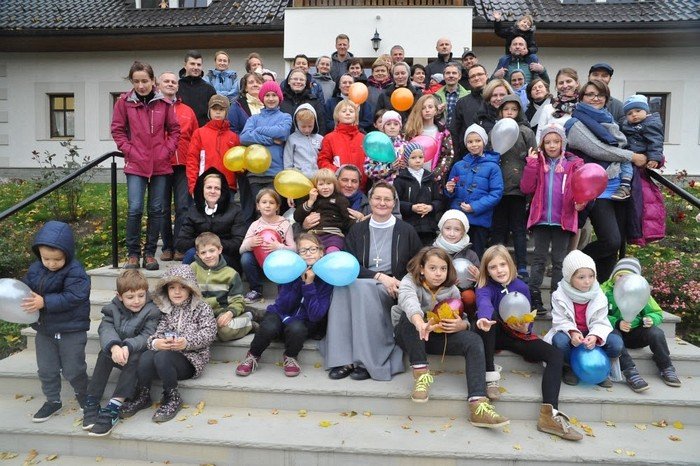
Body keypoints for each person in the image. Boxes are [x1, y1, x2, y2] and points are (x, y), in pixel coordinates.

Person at [392, 247, 509, 428]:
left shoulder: (452, 290)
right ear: (422, 269)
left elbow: (463, 318)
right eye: (432, 268)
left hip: (435, 338)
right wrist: (420, 323)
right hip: (410, 336)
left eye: (443, 268)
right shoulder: (409, 281)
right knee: (409, 319)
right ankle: (421, 376)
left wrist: (461, 325)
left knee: (474, 341)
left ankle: (478, 405)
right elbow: (409, 303)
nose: (438, 273)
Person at [475, 245, 582, 441]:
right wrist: (483, 317)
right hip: (492, 332)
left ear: (511, 265)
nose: (499, 270)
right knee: (489, 319)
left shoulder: (521, 287)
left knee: (555, 354)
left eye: (502, 264)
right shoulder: (485, 287)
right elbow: (484, 303)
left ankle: (549, 414)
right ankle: (490, 376)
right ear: (487, 271)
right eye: (493, 267)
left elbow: (527, 314)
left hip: (516, 334)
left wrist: (526, 328)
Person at [320, 182, 422, 381]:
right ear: (370, 201)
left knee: (363, 290)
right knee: (342, 288)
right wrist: (378, 276)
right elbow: (349, 264)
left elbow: (417, 264)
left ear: (394, 203)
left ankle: (368, 359)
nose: (382, 203)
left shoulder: (406, 230)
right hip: (363, 280)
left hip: (393, 286)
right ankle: (343, 358)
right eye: (377, 198)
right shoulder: (358, 230)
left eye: (387, 199)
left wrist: (401, 283)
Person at [564, 80, 647, 281]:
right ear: (581, 97)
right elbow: (598, 149)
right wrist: (631, 156)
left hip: (619, 187)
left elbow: (623, 145)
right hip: (597, 190)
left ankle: (600, 288)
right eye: (590, 94)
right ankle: (573, 262)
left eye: (600, 95)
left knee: (613, 249)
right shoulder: (574, 123)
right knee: (611, 241)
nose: (595, 98)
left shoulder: (609, 120)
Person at [119, 265, 216, 423]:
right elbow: (156, 334)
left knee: (162, 357)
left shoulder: (202, 308)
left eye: (182, 287)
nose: (177, 292)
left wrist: (187, 343)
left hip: (191, 360)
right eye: (172, 288)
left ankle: (172, 397)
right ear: (166, 290)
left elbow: (209, 333)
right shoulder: (165, 309)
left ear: (191, 289)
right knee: (146, 356)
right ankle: (143, 394)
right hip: (166, 357)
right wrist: (156, 343)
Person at [112, 60, 180, 270]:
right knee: (135, 209)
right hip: (136, 164)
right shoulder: (124, 103)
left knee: (157, 209)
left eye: (144, 81)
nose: (141, 86)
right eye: (136, 81)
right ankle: (133, 254)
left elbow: (175, 131)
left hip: (160, 164)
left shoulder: (164, 104)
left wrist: (166, 151)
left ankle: (149, 254)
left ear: (153, 80)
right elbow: (117, 130)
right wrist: (129, 150)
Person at [21, 221, 91, 423]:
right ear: (39, 254)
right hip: (45, 329)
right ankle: (52, 400)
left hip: (71, 329)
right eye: (46, 259)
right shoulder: (36, 269)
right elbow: (26, 288)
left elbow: (75, 296)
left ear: (67, 254)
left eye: (57, 259)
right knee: (46, 368)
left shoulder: (75, 271)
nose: (51, 264)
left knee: (74, 368)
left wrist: (45, 302)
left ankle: (83, 394)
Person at [236, 233, 332, 378]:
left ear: (321, 252)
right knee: (269, 326)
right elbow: (282, 305)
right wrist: (299, 280)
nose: (308, 253)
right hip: (280, 314)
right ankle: (253, 355)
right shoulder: (289, 272)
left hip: (303, 323)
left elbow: (315, 315)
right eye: (303, 250)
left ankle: (290, 356)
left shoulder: (327, 280)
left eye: (313, 249)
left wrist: (309, 285)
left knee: (296, 329)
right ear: (297, 255)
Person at [81, 270, 160, 436]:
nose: (137, 301)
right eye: (130, 297)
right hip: (119, 353)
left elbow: (147, 335)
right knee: (104, 354)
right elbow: (106, 329)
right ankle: (92, 400)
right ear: (119, 296)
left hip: (139, 355)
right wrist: (114, 347)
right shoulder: (112, 309)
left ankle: (114, 405)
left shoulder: (152, 310)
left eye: (141, 295)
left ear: (146, 293)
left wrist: (127, 347)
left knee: (135, 357)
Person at [520, 124, 584, 315]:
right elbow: (526, 188)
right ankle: (534, 297)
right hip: (540, 219)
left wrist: (582, 202)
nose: (552, 145)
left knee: (559, 261)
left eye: (556, 141)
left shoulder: (573, 164)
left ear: (563, 143)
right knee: (539, 259)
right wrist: (531, 164)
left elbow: (582, 187)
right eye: (547, 142)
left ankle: (557, 297)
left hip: (563, 220)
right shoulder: (538, 163)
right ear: (542, 144)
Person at [544, 250, 624, 388]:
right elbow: (560, 320)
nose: (587, 281)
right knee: (559, 341)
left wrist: (595, 335)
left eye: (591, 276)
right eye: (581, 277)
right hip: (569, 332)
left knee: (616, 343)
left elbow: (601, 320)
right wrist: (573, 332)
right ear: (570, 278)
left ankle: (599, 366)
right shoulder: (559, 295)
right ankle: (569, 366)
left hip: (592, 331)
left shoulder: (599, 295)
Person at [603, 258, 681, 391]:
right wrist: (616, 322)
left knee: (656, 333)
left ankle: (666, 366)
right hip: (614, 334)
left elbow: (656, 312)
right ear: (614, 276)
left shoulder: (640, 292)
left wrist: (650, 319)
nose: (623, 280)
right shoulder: (604, 291)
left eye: (628, 277)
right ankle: (630, 371)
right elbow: (598, 315)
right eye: (620, 276)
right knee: (613, 336)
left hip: (635, 334)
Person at [489, 95, 536, 281]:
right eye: (506, 109)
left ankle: (522, 265)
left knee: (518, 228)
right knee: (498, 228)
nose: (510, 112)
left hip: (518, 188)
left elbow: (533, 158)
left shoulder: (526, 132)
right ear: (500, 111)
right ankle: (495, 263)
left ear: (519, 111)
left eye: (514, 109)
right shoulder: (495, 130)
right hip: (498, 188)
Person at [445, 124, 503, 258]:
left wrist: (474, 207)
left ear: (484, 142)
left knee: (475, 256)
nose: (474, 144)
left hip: (479, 219)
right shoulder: (458, 165)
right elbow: (450, 190)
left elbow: (496, 193)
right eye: (470, 141)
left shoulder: (493, 167)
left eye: (477, 140)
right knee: (456, 255)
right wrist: (449, 190)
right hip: (458, 218)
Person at [157, 71, 197, 262]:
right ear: (159, 85)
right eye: (166, 81)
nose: (170, 84)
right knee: (162, 208)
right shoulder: (153, 108)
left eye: (173, 82)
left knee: (183, 207)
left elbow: (195, 138)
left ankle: (180, 247)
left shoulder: (187, 111)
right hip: (161, 165)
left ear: (178, 86)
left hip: (183, 165)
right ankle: (167, 247)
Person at [176, 168, 246, 268]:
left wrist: (214, 246)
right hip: (200, 254)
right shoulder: (193, 211)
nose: (212, 191)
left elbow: (239, 241)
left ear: (222, 191)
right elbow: (181, 242)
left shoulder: (235, 211)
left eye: (217, 188)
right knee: (191, 254)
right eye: (209, 187)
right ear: (202, 189)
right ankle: (184, 278)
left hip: (225, 255)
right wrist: (203, 245)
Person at [191, 232, 253, 342]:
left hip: (221, 312)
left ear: (220, 249)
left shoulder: (231, 274)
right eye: (203, 252)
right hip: (198, 313)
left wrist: (230, 313)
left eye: (212, 251)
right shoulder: (192, 269)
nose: (208, 255)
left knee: (225, 332)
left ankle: (249, 321)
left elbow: (237, 300)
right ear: (198, 254)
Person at [240, 189, 296, 304]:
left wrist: (279, 246)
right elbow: (241, 249)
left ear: (277, 206)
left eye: (271, 202)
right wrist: (250, 244)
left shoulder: (285, 224)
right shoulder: (255, 225)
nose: (267, 205)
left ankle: (283, 290)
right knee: (246, 258)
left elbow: (294, 249)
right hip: (259, 262)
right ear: (258, 206)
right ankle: (256, 290)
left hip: (278, 263)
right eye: (264, 202)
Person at [240, 80, 293, 200]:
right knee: (260, 207)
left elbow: (283, 132)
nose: (271, 99)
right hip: (255, 174)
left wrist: (259, 130)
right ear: (262, 98)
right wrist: (271, 140)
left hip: (275, 173)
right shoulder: (253, 119)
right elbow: (244, 137)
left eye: (274, 95)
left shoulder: (285, 117)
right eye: (267, 95)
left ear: (279, 98)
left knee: (274, 207)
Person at [226, 71, 264, 226]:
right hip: (245, 160)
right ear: (245, 87)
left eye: (258, 82)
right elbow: (233, 131)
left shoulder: (270, 104)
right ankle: (247, 233)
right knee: (248, 203)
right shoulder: (237, 106)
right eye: (251, 82)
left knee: (265, 202)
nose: (255, 85)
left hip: (266, 160)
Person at [185, 95, 240, 196]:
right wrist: (193, 186)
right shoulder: (199, 133)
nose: (218, 112)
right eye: (214, 109)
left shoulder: (234, 137)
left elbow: (238, 165)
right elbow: (192, 161)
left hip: (228, 186)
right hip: (205, 185)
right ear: (209, 111)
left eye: (221, 109)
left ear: (227, 112)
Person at [294, 168, 355, 253]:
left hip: (333, 235)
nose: (325, 187)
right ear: (315, 187)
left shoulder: (340, 200)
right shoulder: (311, 199)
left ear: (334, 185)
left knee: (332, 252)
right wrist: (310, 201)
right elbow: (297, 217)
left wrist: (357, 222)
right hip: (313, 235)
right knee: (310, 253)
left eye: (329, 183)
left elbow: (347, 220)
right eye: (321, 184)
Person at [617, 94, 665, 198]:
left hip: (641, 154)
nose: (634, 115)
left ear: (646, 111)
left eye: (638, 111)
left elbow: (656, 142)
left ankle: (625, 184)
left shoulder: (650, 124)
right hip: (631, 153)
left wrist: (654, 158)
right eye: (629, 113)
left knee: (626, 163)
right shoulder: (627, 125)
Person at [393, 142, 442, 246]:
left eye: (421, 157)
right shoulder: (400, 179)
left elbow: (438, 200)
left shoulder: (430, 177)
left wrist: (431, 207)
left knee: (427, 252)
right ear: (407, 159)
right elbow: (396, 202)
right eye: (413, 157)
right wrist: (411, 207)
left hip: (429, 227)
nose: (418, 160)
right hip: (409, 226)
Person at [404, 94, 456, 184]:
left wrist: (435, 175)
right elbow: (405, 154)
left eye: (430, 107)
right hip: (412, 180)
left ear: (436, 110)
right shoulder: (412, 132)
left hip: (433, 181)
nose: (427, 110)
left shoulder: (443, 132)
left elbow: (448, 155)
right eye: (423, 108)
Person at [317, 100, 367, 188]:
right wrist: (337, 172)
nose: (348, 113)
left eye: (351, 111)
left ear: (356, 116)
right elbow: (323, 161)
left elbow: (370, 162)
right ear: (337, 115)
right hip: (338, 187)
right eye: (344, 111)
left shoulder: (364, 138)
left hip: (360, 187)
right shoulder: (329, 138)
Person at [451, 64, 488, 157]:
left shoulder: (495, 99)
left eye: (479, 74)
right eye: (472, 76)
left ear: (486, 76)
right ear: (469, 80)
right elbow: (454, 131)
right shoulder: (462, 103)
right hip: (468, 155)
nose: (476, 78)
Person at [536, 68, 580, 143]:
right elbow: (539, 135)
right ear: (556, 86)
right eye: (561, 83)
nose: (565, 85)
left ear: (577, 83)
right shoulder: (548, 108)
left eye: (568, 81)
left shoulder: (582, 107)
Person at [279, 68, 327, 136]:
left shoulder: (314, 102)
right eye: (295, 79)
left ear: (305, 83)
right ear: (289, 81)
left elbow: (321, 126)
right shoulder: (280, 100)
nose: (298, 82)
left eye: (301, 80)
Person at [364, 110, 407, 185]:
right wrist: (389, 167)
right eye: (388, 124)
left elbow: (415, 167)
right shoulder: (376, 146)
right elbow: (368, 170)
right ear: (383, 127)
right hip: (383, 187)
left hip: (402, 188)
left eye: (396, 124)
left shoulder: (406, 145)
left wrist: (406, 166)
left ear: (400, 127)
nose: (392, 127)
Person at [283, 104, 324, 179]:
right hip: (299, 178)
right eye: (303, 126)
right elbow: (288, 161)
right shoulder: (292, 139)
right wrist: (289, 176)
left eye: (310, 126)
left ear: (315, 123)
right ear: (296, 123)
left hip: (317, 178)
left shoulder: (320, 139)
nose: (307, 130)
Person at [178, 50, 217, 127]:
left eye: (198, 64)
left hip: (203, 131)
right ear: (185, 65)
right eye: (192, 64)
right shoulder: (176, 87)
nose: (196, 67)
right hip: (182, 131)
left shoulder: (209, 89)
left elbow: (214, 113)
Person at [434, 62, 470, 127]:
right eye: (448, 73)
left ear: (459, 76)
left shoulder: (468, 96)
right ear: (444, 76)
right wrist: (437, 113)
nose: (451, 76)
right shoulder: (435, 96)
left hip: (460, 131)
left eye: (454, 73)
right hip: (441, 131)